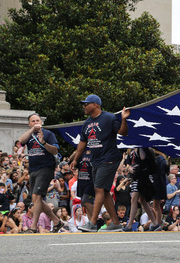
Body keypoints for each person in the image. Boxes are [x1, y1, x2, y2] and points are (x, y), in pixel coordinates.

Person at [70, 94, 130, 232]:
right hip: (96, 160)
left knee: (98, 189)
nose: (84, 106)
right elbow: (82, 143)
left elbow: (123, 132)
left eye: (86, 104)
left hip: (109, 158)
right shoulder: (86, 123)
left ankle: (92, 223)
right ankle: (115, 223)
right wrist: (75, 159)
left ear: (95, 105)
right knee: (105, 191)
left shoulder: (109, 117)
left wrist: (124, 120)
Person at [18, 113, 64, 233]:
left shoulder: (48, 134)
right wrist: (32, 130)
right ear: (29, 124)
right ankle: (56, 221)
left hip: (46, 168)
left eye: (37, 120)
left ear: (42, 122)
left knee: (37, 196)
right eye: (33, 121)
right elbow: (21, 142)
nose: (36, 122)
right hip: (33, 169)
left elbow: (55, 150)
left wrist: (43, 142)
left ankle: (33, 227)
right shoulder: (29, 135)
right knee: (35, 199)